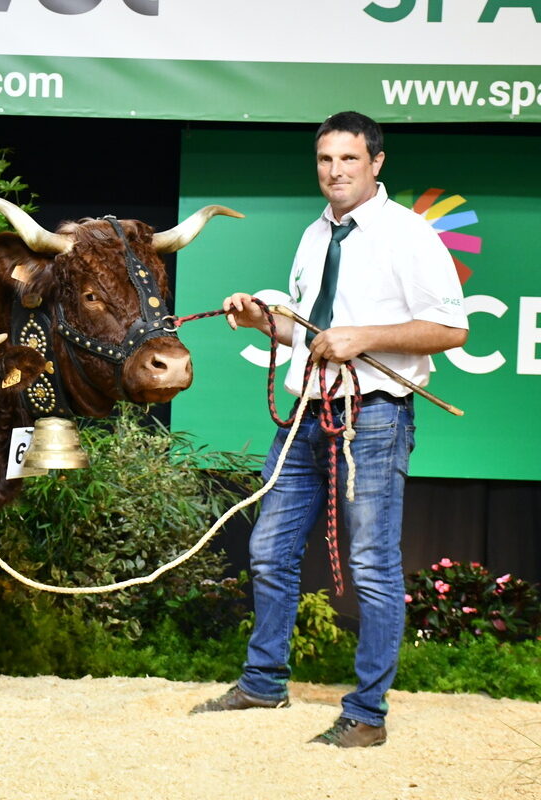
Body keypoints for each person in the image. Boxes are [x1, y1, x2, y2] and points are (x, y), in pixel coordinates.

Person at [189, 111, 468, 747]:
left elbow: (452, 330)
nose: (335, 172)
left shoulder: (409, 234)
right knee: (267, 551)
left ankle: (367, 714)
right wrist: (263, 318)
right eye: (325, 160)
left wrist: (366, 337)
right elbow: (305, 331)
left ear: (376, 163)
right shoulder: (317, 235)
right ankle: (264, 683)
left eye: (348, 159)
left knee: (372, 565)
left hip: (372, 417)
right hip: (306, 417)